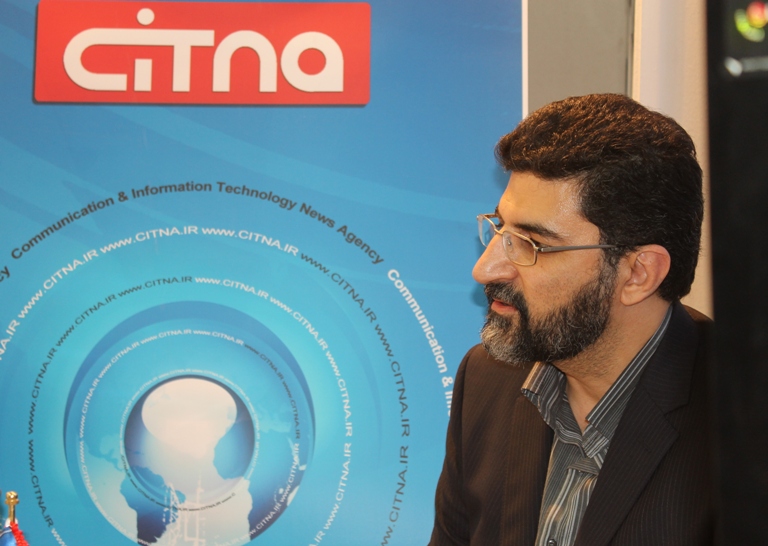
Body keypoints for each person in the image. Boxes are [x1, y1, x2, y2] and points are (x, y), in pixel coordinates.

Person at [429, 94, 713, 546]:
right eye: (500, 228)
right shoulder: (486, 381)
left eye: (532, 243)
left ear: (638, 274)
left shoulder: (742, 422)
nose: (485, 269)